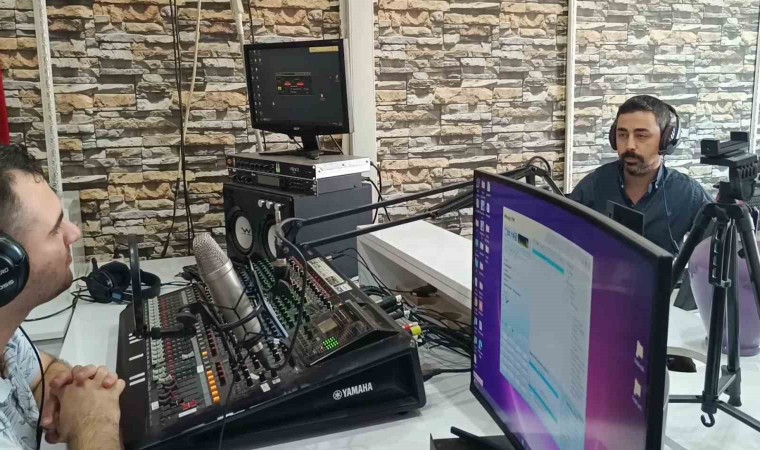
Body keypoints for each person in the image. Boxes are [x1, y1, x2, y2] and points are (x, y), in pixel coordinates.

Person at [0, 144, 125, 449]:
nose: (74, 233)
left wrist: (66, 392)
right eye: (56, 228)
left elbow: (41, 371)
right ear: (5, 266)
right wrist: (94, 422)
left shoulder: (7, 338)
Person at [569, 95, 712, 255]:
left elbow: (720, 247)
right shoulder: (594, 185)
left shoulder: (687, 193)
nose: (629, 145)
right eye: (623, 135)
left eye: (641, 136)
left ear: (666, 140)